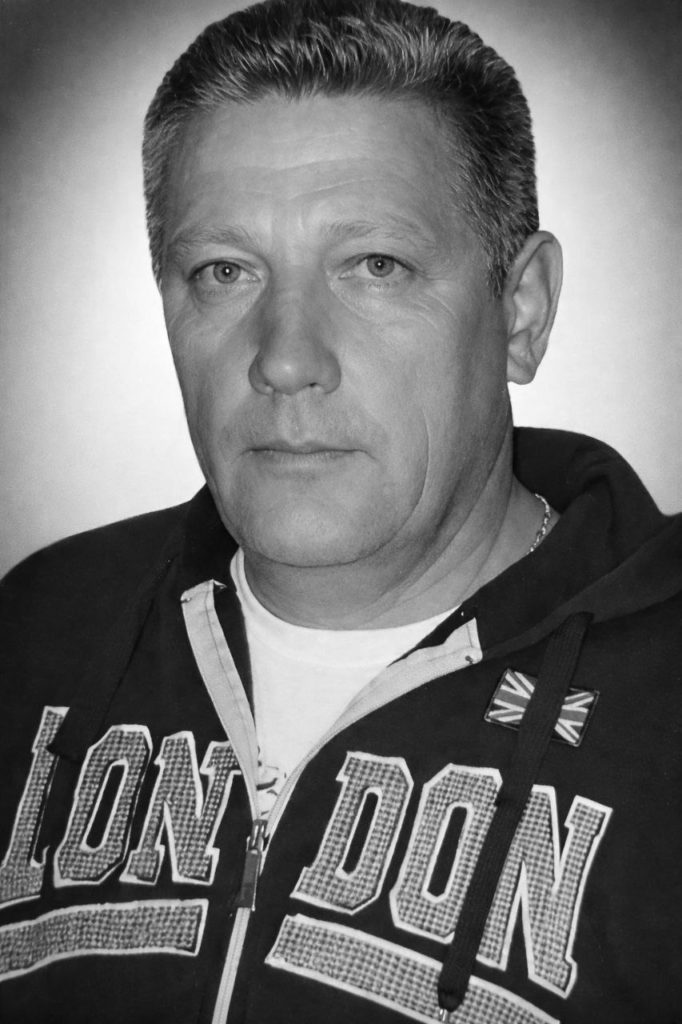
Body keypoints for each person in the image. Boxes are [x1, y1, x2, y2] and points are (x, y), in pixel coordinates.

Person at [0, 0, 680, 1021]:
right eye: (224, 271)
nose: (285, 359)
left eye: (375, 267)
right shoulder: (38, 633)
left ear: (521, 311)